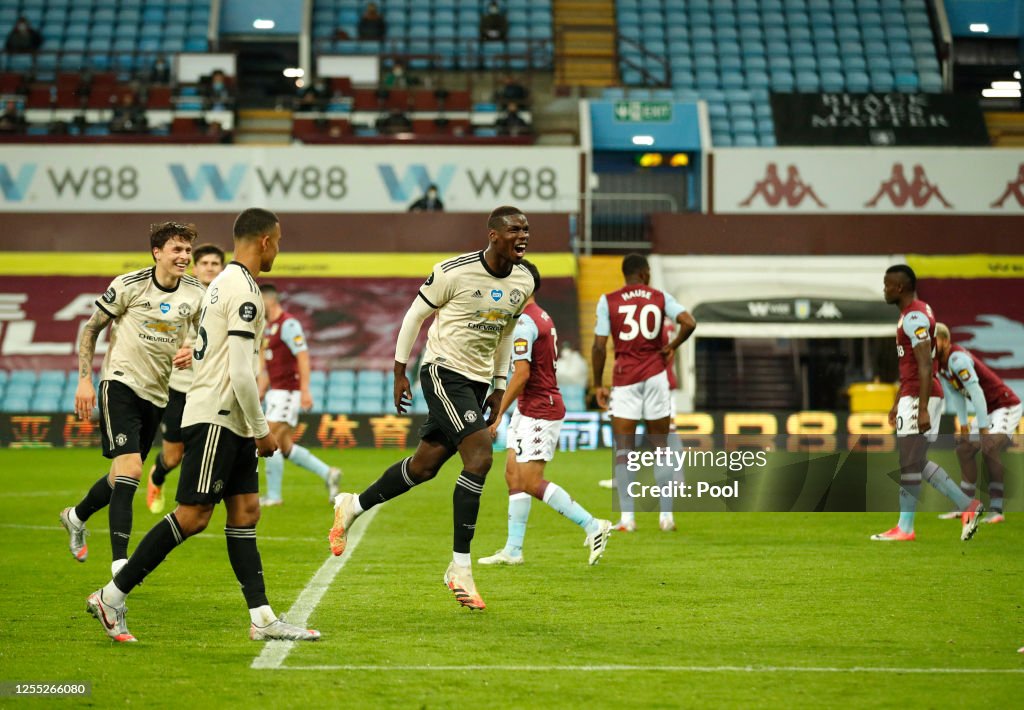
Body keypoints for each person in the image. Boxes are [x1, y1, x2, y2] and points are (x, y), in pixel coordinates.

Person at [85, 208, 321, 643]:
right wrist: (260, 428)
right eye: (279, 241)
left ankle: (263, 618)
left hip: (224, 415)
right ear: (266, 242)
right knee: (193, 517)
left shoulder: (221, 285)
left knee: (246, 512)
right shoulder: (244, 291)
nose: (279, 249)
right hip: (219, 417)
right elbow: (241, 369)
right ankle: (112, 596)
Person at [329, 206, 534, 611]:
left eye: (527, 229)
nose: (523, 235)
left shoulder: (525, 280)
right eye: (515, 229)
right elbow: (414, 317)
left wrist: (497, 383)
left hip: (477, 382)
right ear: (493, 235)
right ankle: (460, 567)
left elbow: (507, 331)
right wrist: (398, 371)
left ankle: (352, 505)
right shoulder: (453, 271)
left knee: (423, 467)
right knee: (479, 457)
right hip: (442, 371)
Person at [59, 223, 205, 576]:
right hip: (120, 383)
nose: (184, 256)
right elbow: (91, 328)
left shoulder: (196, 294)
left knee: (118, 477)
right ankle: (120, 565)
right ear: (157, 252)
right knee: (133, 470)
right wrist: (84, 380)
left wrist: (193, 349)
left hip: (158, 394)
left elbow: (205, 339)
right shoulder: (129, 285)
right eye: (177, 250)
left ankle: (75, 516)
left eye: (188, 251)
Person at [479, 260, 612, 567]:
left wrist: (498, 413)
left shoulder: (526, 323)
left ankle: (593, 525)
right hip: (529, 408)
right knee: (513, 475)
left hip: (541, 409)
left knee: (530, 480)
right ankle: (513, 550)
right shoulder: (539, 317)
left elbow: (522, 373)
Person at [871, 265, 984, 542]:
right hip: (913, 393)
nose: (884, 289)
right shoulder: (919, 312)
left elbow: (924, 364)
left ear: (900, 287)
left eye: (887, 284)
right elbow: (911, 366)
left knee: (910, 461)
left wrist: (920, 407)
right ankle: (964, 506)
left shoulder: (914, 318)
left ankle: (908, 527)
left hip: (921, 395)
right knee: (914, 461)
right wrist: (899, 400)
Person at [592, 253, 697, 533]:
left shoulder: (608, 300)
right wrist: (673, 344)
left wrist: (597, 384)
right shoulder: (660, 297)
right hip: (655, 376)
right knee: (661, 448)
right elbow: (689, 322)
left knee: (624, 450)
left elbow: (599, 346)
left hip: (625, 378)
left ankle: (627, 519)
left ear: (625, 274)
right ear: (645, 274)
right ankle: (666, 518)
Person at [146, 244, 226, 514]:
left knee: (205, 451)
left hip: (210, 390)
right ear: (195, 267)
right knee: (173, 456)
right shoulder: (180, 296)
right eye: (205, 263)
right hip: (179, 388)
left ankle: (191, 505)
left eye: (215, 264)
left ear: (222, 269)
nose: (210, 268)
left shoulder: (228, 299)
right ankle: (157, 476)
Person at [257, 283, 341, 506]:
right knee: (284, 447)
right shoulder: (267, 327)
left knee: (268, 440)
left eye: (259, 299)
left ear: (270, 300)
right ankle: (328, 473)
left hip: (288, 392)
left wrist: (305, 390)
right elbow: (267, 364)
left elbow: (302, 356)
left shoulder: (288, 324)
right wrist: (261, 390)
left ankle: (274, 496)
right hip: (276, 392)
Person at [934, 322, 1020, 525]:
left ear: (945, 341)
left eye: (933, 339)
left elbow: (977, 393)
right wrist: (963, 426)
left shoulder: (957, 359)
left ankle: (997, 509)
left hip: (1005, 405)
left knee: (989, 447)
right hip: (989, 410)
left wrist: (982, 428)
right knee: (964, 449)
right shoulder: (942, 364)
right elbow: (956, 395)